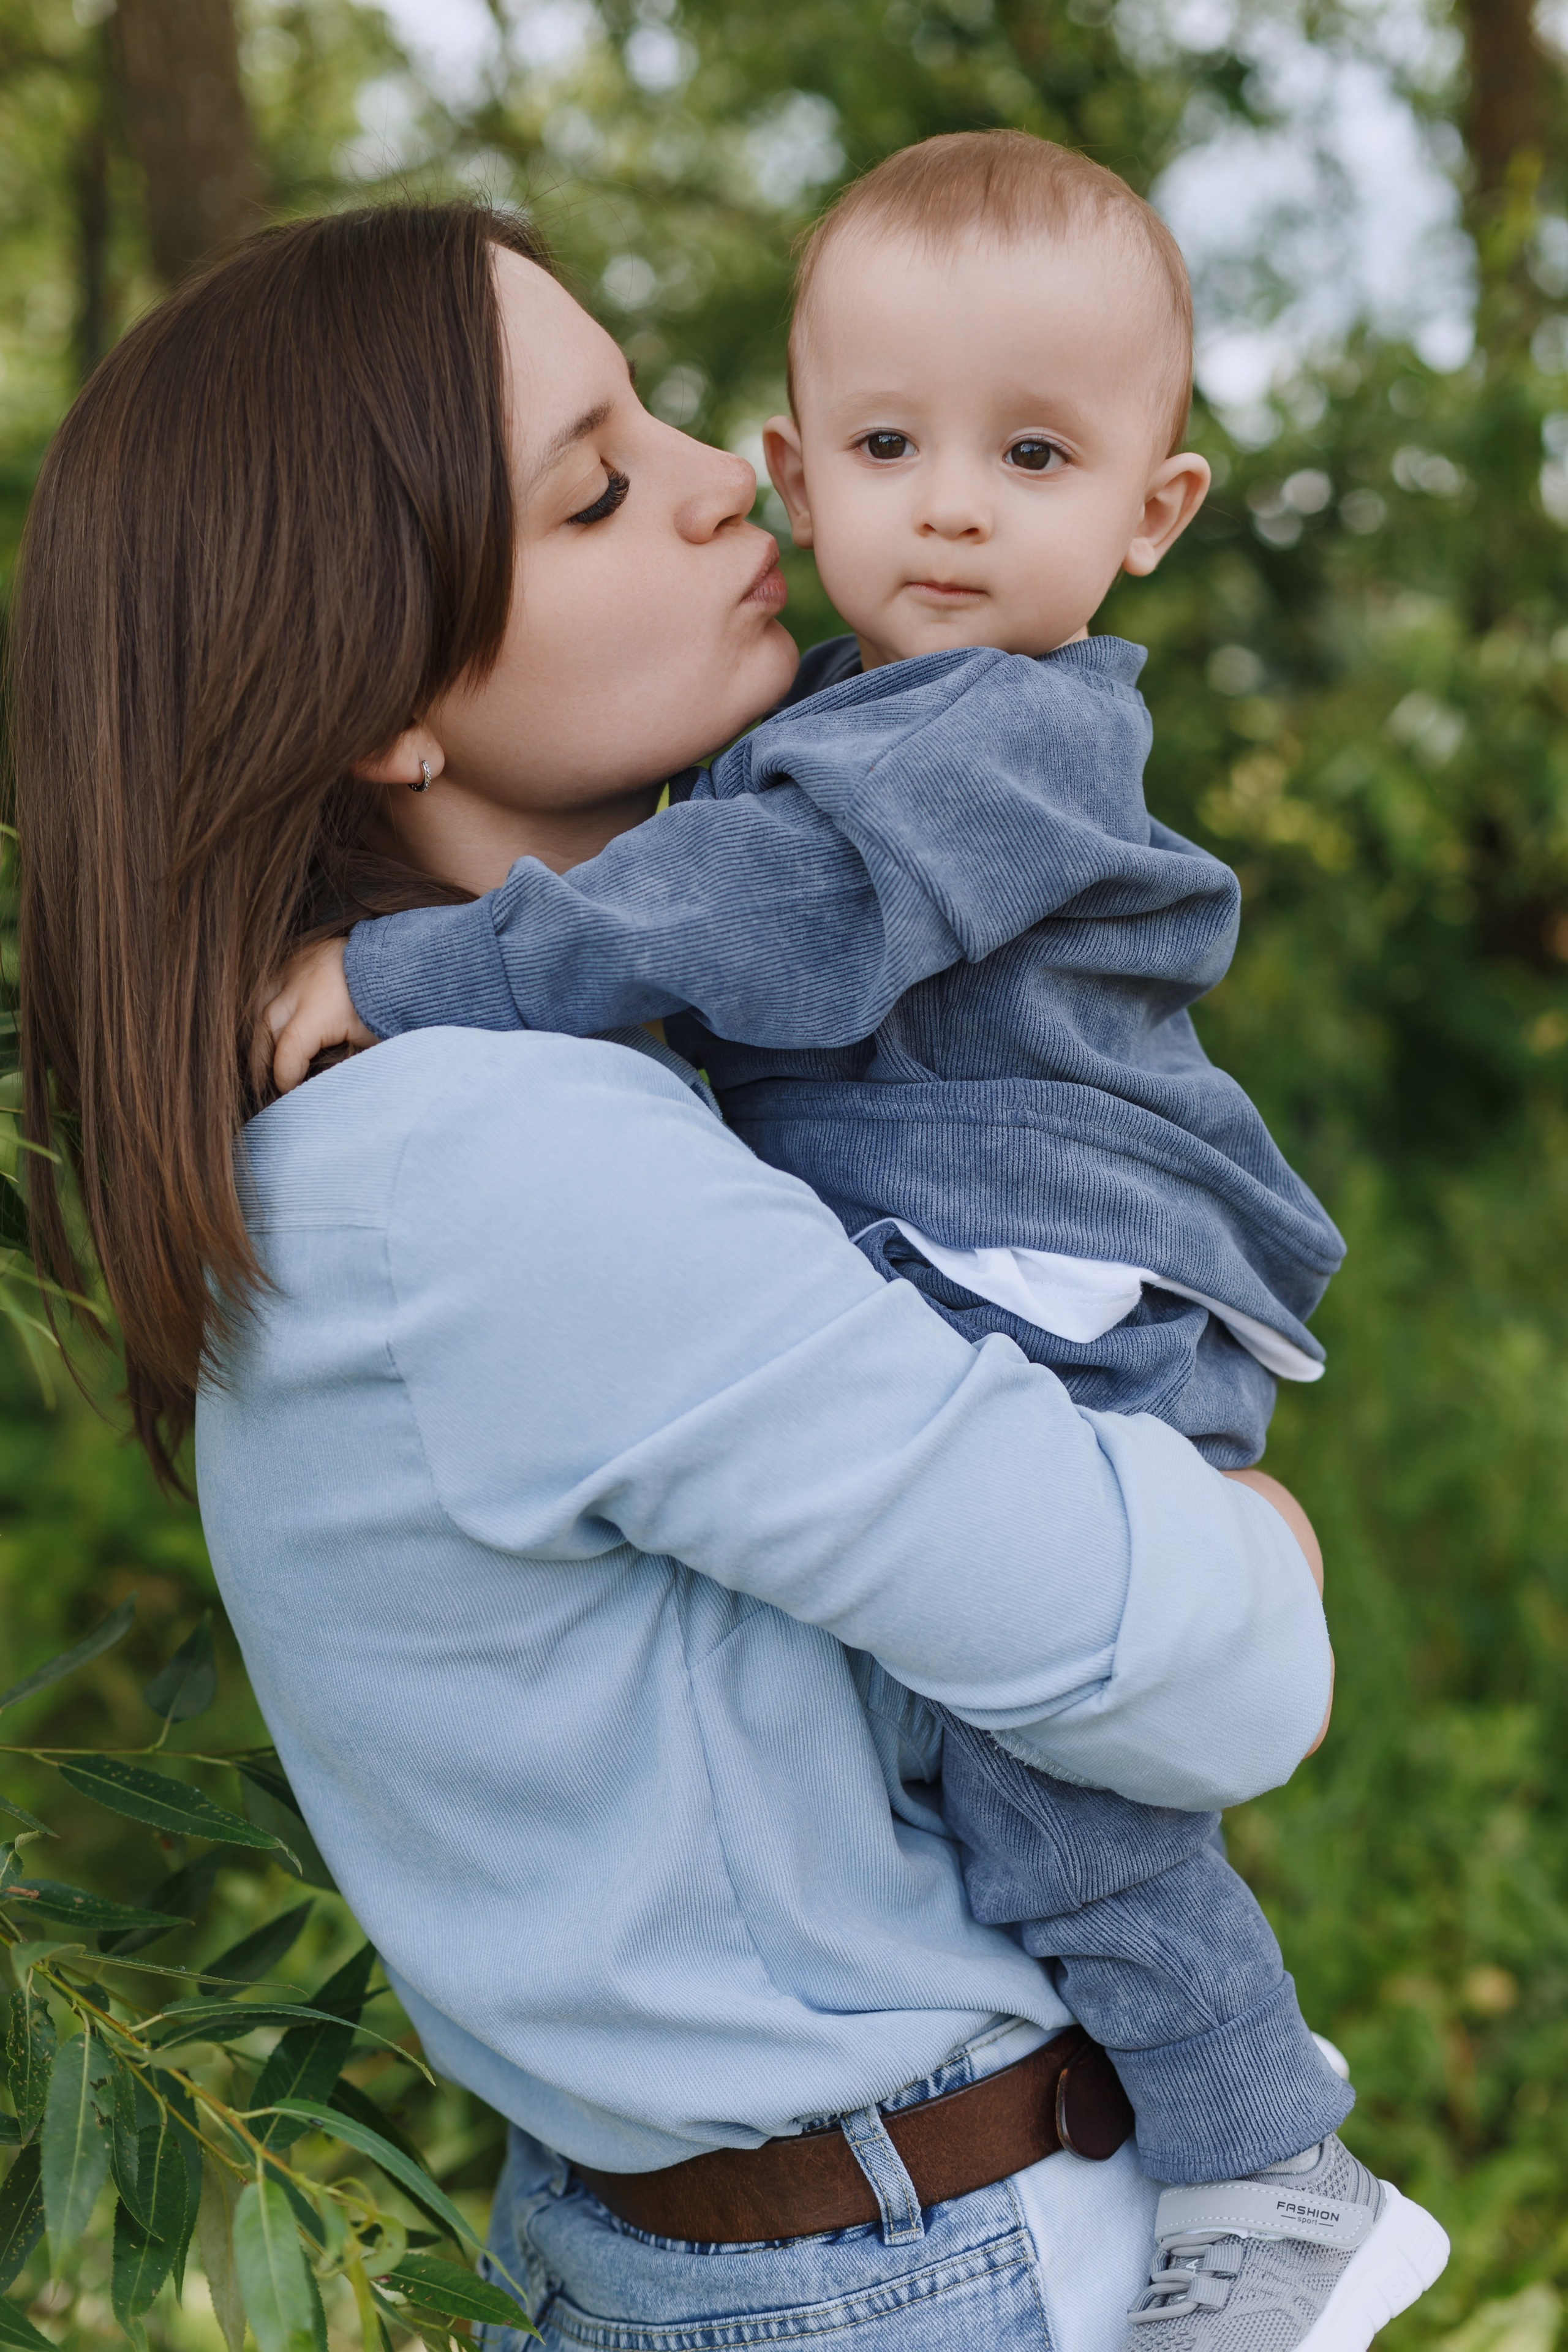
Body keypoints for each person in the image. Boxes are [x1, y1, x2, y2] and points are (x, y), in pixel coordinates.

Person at [14, 200, 1336, 2352]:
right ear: (384, 699)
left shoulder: (373, 1144)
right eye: (602, 482)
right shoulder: (507, 1164)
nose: (737, 471)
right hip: (907, 2268)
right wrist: (1254, 1537)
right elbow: (1216, 1679)